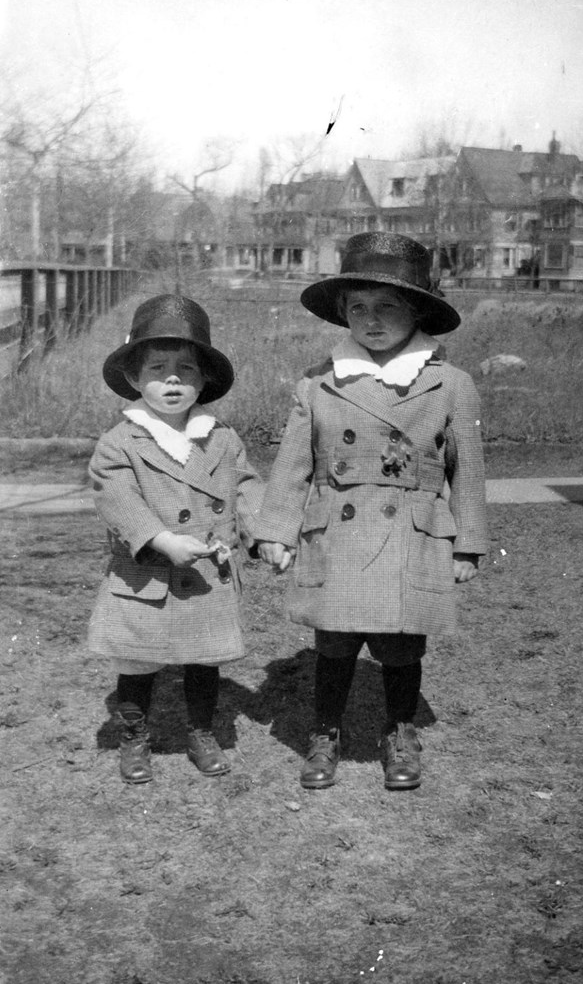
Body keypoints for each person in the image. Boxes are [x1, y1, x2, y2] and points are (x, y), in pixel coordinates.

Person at [255, 232, 487, 791]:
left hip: (411, 531)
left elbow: (469, 471)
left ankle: (399, 731)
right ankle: (325, 732)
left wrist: (469, 542)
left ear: (417, 312)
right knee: (334, 640)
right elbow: (293, 465)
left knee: (402, 643)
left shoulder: (449, 384)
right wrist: (276, 530)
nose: (372, 319)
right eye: (358, 307)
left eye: (388, 306)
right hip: (337, 529)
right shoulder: (318, 383)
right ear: (341, 313)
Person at [88, 294, 263, 785]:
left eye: (186, 369)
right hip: (144, 575)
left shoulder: (221, 438)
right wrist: (161, 540)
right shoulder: (119, 441)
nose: (172, 380)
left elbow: (246, 486)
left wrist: (265, 533)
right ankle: (134, 736)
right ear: (133, 378)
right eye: (158, 368)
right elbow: (116, 497)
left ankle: (201, 732)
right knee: (138, 661)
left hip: (207, 571)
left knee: (204, 660)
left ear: (204, 380)